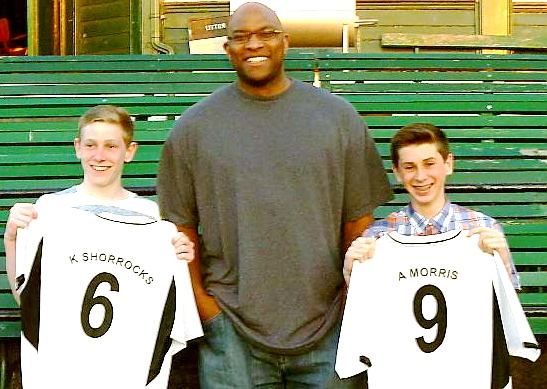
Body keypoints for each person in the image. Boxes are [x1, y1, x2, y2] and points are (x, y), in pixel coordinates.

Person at [156, 2, 393, 387]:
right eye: (241, 36)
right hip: (231, 332)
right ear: (227, 48)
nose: (254, 44)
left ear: (286, 42)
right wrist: (207, 312)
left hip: (328, 330)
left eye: (266, 33)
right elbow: (180, 229)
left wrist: (350, 303)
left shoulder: (337, 118)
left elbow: (359, 223)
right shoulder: (194, 127)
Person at [343, 122, 520, 389]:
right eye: (410, 167)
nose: (421, 176)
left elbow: (506, 312)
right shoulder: (378, 237)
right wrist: (351, 273)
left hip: (466, 370)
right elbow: (365, 314)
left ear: (448, 164)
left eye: (429, 163)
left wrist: (502, 263)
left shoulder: (482, 229)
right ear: (397, 173)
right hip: (402, 372)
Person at [4, 104, 195, 303]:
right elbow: (24, 299)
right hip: (62, 333)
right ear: (78, 147)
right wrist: (11, 239)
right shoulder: (50, 208)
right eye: (90, 145)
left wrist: (181, 259)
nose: (99, 156)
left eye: (111, 146)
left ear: (129, 151)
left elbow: (158, 294)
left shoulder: (148, 214)